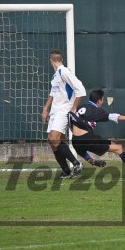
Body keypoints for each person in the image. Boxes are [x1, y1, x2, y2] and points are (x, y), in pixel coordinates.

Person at [69, 89, 125, 178]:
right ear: (99, 100)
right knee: (119, 148)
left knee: (83, 149)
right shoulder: (96, 110)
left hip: (75, 140)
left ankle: (91, 160)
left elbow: (71, 122)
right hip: (88, 138)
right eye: (102, 99)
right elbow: (114, 117)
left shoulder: (79, 107)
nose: (102, 102)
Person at [42, 49, 86, 179]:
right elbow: (52, 93)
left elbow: (81, 90)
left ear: (51, 61)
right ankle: (66, 171)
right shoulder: (55, 75)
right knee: (53, 143)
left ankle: (77, 164)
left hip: (63, 110)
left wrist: (73, 108)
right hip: (55, 111)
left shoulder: (64, 72)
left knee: (53, 139)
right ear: (61, 59)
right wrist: (46, 109)